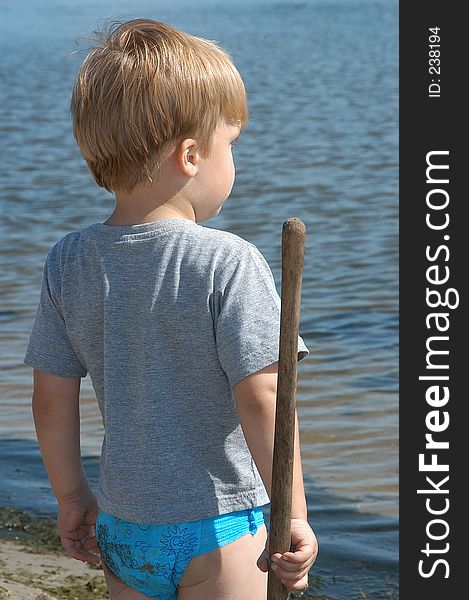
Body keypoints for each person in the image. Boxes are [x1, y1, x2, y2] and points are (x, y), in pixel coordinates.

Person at [24, 18, 318, 600]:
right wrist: (294, 513)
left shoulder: (69, 260)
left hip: (126, 526)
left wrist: (72, 498)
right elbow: (264, 396)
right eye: (229, 145)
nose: (234, 162)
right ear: (190, 154)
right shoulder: (229, 261)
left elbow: (50, 399)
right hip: (221, 525)